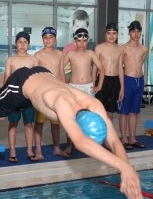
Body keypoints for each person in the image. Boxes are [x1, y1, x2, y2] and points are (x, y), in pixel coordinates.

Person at [0, 66, 145, 199]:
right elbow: (80, 142)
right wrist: (124, 167)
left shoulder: (94, 104)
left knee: (19, 107)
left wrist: (126, 169)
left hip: (46, 77)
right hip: (22, 83)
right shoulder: (62, 104)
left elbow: (114, 140)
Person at [61, 27, 105, 155]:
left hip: (88, 88)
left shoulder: (91, 53)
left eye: (85, 41)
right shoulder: (70, 54)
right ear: (75, 41)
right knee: (71, 117)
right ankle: (69, 145)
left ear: (87, 41)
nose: (82, 43)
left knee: (89, 117)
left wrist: (99, 85)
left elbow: (102, 68)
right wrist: (65, 85)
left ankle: (88, 144)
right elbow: (60, 68)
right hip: (74, 88)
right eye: (79, 41)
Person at [33, 26, 67, 160]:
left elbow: (62, 73)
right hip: (43, 93)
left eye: (51, 37)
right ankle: (38, 151)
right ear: (42, 39)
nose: (48, 40)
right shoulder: (38, 55)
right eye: (45, 38)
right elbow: (34, 75)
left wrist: (65, 89)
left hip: (57, 93)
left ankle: (57, 148)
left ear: (55, 39)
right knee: (39, 122)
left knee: (56, 123)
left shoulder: (60, 54)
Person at [3, 31, 38, 162]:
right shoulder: (10, 60)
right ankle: (12, 149)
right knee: (13, 123)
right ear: (16, 44)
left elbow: (37, 79)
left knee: (29, 124)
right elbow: (6, 79)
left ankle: (29, 149)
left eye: (25, 42)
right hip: (13, 97)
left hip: (28, 98)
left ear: (28, 44)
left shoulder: (33, 59)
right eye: (20, 42)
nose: (22, 45)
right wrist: (4, 96)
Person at [118, 20, 148, 150]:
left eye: (138, 31)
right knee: (124, 112)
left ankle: (132, 138)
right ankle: (124, 138)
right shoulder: (123, 48)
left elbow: (141, 64)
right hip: (127, 80)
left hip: (139, 81)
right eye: (133, 31)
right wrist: (122, 86)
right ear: (129, 32)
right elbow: (120, 67)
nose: (136, 34)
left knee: (134, 112)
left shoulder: (144, 49)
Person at [95, 21, 124, 121]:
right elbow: (95, 67)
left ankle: (108, 135)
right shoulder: (99, 48)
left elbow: (120, 68)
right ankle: (100, 136)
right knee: (100, 111)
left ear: (117, 34)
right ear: (105, 34)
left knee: (110, 113)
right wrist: (93, 82)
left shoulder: (120, 49)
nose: (111, 36)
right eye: (109, 33)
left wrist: (122, 88)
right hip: (102, 81)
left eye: (114, 33)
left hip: (115, 82)